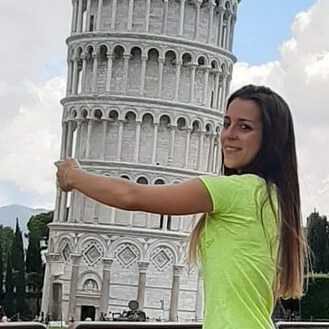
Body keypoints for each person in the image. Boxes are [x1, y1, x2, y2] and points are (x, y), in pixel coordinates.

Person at [55, 85, 306, 329]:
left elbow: (131, 196)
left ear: (269, 139)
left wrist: (72, 176)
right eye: (227, 123)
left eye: (245, 127)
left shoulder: (237, 191)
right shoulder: (273, 198)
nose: (229, 134)